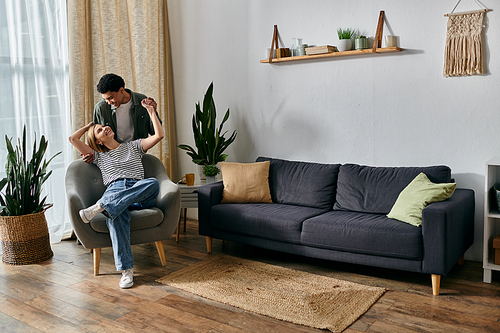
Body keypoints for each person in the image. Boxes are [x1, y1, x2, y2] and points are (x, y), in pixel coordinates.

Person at [69, 97, 164, 289]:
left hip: (139, 193)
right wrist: (90, 125)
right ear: (97, 141)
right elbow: (73, 139)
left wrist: (152, 112)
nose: (104, 128)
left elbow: (158, 136)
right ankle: (126, 271)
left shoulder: (134, 146)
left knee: (153, 183)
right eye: (99, 130)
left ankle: (101, 206)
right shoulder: (98, 156)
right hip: (116, 190)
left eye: (103, 126)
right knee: (116, 215)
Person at [83, 73, 162, 163]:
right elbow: (95, 137)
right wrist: (89, 154)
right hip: (112, 157)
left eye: (111, 98)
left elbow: (154, 132)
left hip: (136, 153)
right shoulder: (101, 108)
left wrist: (153, 112)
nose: (108, 102)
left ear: (121, 90)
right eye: (105, 99)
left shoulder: (141, 101)